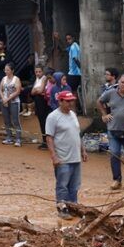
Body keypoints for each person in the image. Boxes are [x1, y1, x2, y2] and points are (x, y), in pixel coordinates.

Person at [46, 90, 88, 220]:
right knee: (62, 185)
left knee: (74, 185)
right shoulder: (53, 117)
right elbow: (49, 138)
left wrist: (83, 150)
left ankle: (73, 207)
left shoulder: (73, 115)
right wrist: (54, 156)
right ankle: (62, 208)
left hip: (75, 157)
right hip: (62, 158)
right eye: (67, 101)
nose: (70, 103)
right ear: (60, 101)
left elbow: (77, 134)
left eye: (72, 101)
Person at [0, 64, 23, 146]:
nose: (6, 71)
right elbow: (0, 89)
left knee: (15, 120)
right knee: (6, 120)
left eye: (8, 70)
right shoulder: (4, 79)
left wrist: (7, 99)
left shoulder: (16, 79)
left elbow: (18, 91)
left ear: (12, 70)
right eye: (5, 70)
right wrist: (3, 98)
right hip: (5, 101)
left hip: (14, 102)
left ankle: (18, 139)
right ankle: (9, 137)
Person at [32, 65, 51, 149]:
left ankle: (47, 141)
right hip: (38, 102)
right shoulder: (37, 79)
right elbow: (32, 92)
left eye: (39, 71)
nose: (38, 73)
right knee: (41, 121)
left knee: (44, 121)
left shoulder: (44, 78)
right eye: (36, 72)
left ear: (42, 72)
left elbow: (40, 90)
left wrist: (37, 90)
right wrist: (37, 90)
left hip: (43, 102)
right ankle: (44, 141)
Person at [66, 34, 82, 109]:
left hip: (73, 73)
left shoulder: (73, 47)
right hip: (76, 73)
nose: (68, 41)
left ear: (73, 38)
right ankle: (76, 109)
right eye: (67, 39)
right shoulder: (76, 46)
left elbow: (75, 59)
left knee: (71, 93)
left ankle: (73, 109)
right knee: (75, 92)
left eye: (69, 39)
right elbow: (64, 50)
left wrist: (81, 68)